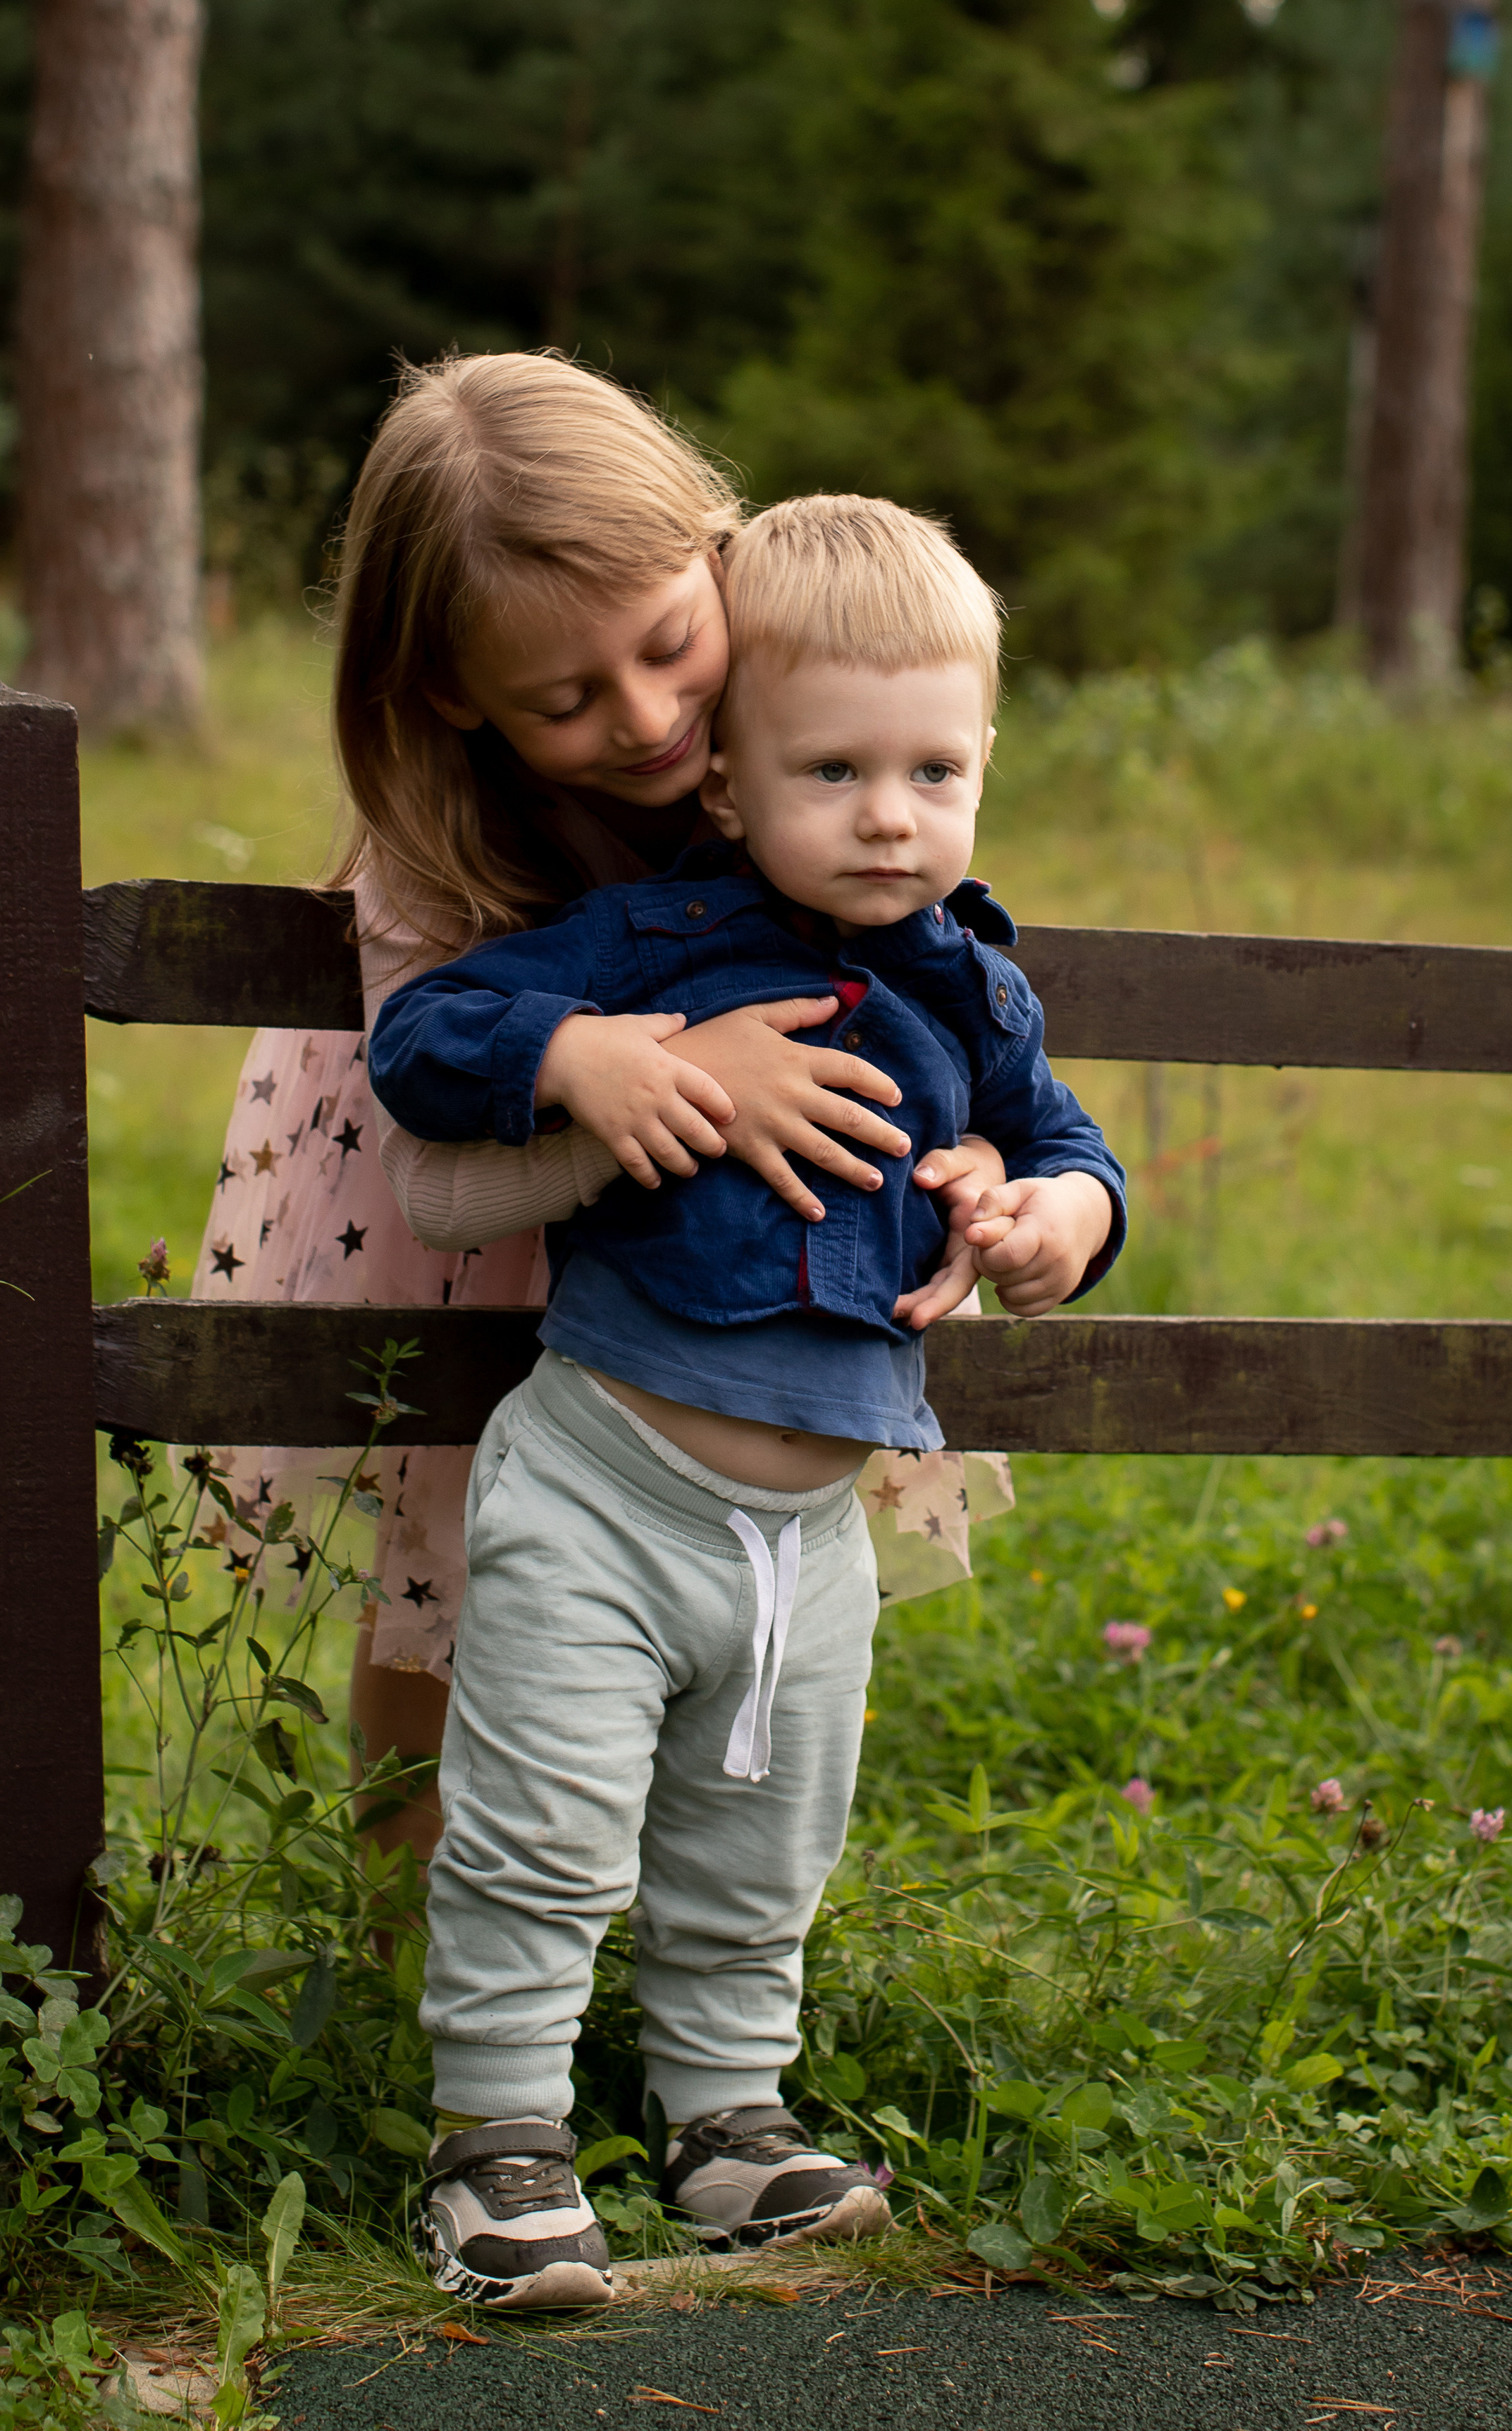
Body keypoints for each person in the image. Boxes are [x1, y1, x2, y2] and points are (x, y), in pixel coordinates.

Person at [369, 493, 1127, 2311]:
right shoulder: (649, 944)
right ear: (726, 783)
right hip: (608, 1478)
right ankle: (494, 2148)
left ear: (983, 768)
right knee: (543, 1823)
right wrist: (575, 1052)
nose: (890, 815)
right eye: (833, 771)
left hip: (812, 1527)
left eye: (933, 771)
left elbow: (1070, 1152)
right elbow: (420, 1045)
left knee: (762, 1837)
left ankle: (725, 2122)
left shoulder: (974, 985)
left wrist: (1048, 1218)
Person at [189, 357, 1010, 1867]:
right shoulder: (437, 853)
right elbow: (430, 1152)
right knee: (448, 1581)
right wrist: (599, 1064)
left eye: (669, 648)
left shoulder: (804, 713)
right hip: (471, 1219)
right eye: (564, 700)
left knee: (707, 1578)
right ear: (451, 694)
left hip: (730, 1266)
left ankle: (667, 1942)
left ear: (715, 551)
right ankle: (413, 1943)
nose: (644, 719)